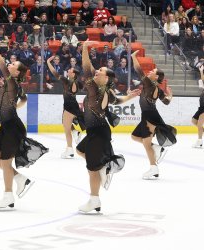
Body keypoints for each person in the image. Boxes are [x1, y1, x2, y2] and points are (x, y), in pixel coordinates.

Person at [77, 40, 141, 214]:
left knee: (91, 169)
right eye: (98, 70)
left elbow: (85, 66)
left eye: (100, 71)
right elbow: (118, 101)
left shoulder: (95, 88)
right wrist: (130, 97)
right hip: (97, 131)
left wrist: (84, 48)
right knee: (80, 151)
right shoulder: (105, 90)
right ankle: (102, 167)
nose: (96, 71)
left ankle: (94, 200)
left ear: (105, 78)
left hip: (98, 132)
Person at [0, 38, 48, 210]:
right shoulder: (10, 83)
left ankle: (8, 196)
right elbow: (22, 99)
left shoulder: (12, 82)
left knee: (6, 162)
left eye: (14, 64)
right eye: (11, 63)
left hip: (13, 127)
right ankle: (19, 178)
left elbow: (0, 62)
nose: (10, 64)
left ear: (16, 72)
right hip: (6, 126)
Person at [131, 50, 177, 180]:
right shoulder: (157, 88)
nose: (150, 72)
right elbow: (166, 102)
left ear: (156, 77)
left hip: (150, 116)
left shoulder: (149, 84)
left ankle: (153, 168)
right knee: (134, 136)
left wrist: (134, 57)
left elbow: (138, 70)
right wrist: (170, 95)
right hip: (148, 115)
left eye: (153, 72)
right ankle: (156, 148)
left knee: (146, 144)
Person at [47, 55, 85, 158]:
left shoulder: (70, 82)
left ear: (73, 73)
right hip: (71, 105)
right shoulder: (73, 82)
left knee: (66, 128)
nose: (68, 70)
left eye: (70, 70)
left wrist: (48, 62)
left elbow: (55, 73)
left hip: (70, 107)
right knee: (65, 124)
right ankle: (75, 132)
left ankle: (69, 150)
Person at [192, 65, 204, 148]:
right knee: (193, 121)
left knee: (199, 125)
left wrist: (201, 71)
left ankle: (199, 142)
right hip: (201, 107)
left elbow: (203, 79)